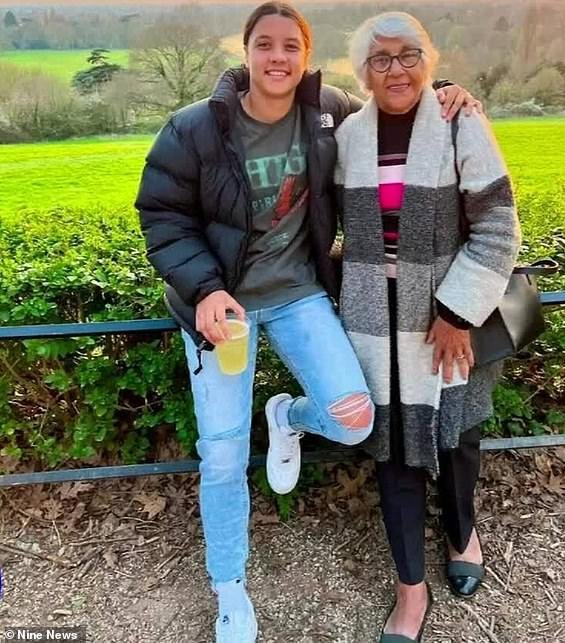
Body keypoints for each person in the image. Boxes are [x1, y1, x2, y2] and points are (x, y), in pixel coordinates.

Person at [135, 3, 479, 641]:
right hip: (222, 311)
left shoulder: (328, 113)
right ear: (244, 52)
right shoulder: (194, 127)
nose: (277, 57)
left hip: (299, 295)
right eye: (264, 44)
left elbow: (394, 97)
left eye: (290, 46)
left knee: (355, 420)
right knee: (222, 455)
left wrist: (445, 92)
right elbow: (162, 214)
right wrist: (205, 288)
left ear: (305, 56)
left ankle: (288, 416)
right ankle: (230, 590)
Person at [334, 11, 521, 643]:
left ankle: (462, 531)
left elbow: (498, 227)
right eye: (381, 58)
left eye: (408, 55)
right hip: (372, 322)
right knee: (393, 451)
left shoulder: (459, 120)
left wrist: (455, 313)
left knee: (457, 437)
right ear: (363, 72)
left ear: (428, 61)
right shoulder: (348, 135)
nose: (396, 69)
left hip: (449, 316)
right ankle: (410, 590)